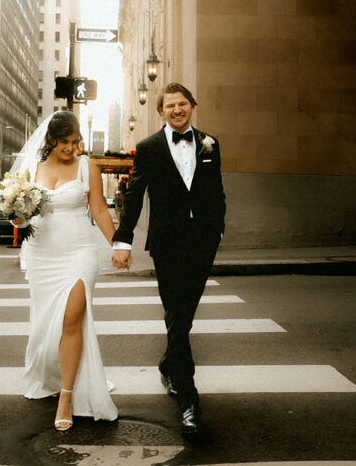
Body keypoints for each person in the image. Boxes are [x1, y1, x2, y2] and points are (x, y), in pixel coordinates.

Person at [112, 82, 225, 436]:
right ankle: (189, 400)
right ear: (160, 111)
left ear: (193, 106)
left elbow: (215, 190)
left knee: (184, 314)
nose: (177, 109)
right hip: (168, 244)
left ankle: (167, 363)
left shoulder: (210, 143)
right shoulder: (148, 148)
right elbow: (134, 195)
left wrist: (218, 228)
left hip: (202, 242)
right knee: (176, 312)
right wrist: (123, 240)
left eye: (183, 104)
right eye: (170, 105)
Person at [12, 110, 118, 430]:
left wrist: (119, 245)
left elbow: (98, 209)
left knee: (72, 319)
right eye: (65, 142)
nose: (72, 148)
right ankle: (54, 375)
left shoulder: (88, 168)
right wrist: (17, 218)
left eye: (76, 141)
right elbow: (21, 216)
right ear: (50, 140)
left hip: (79, 252)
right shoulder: (32, 169)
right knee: (48, 326)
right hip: (43, 255)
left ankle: (67, 397)